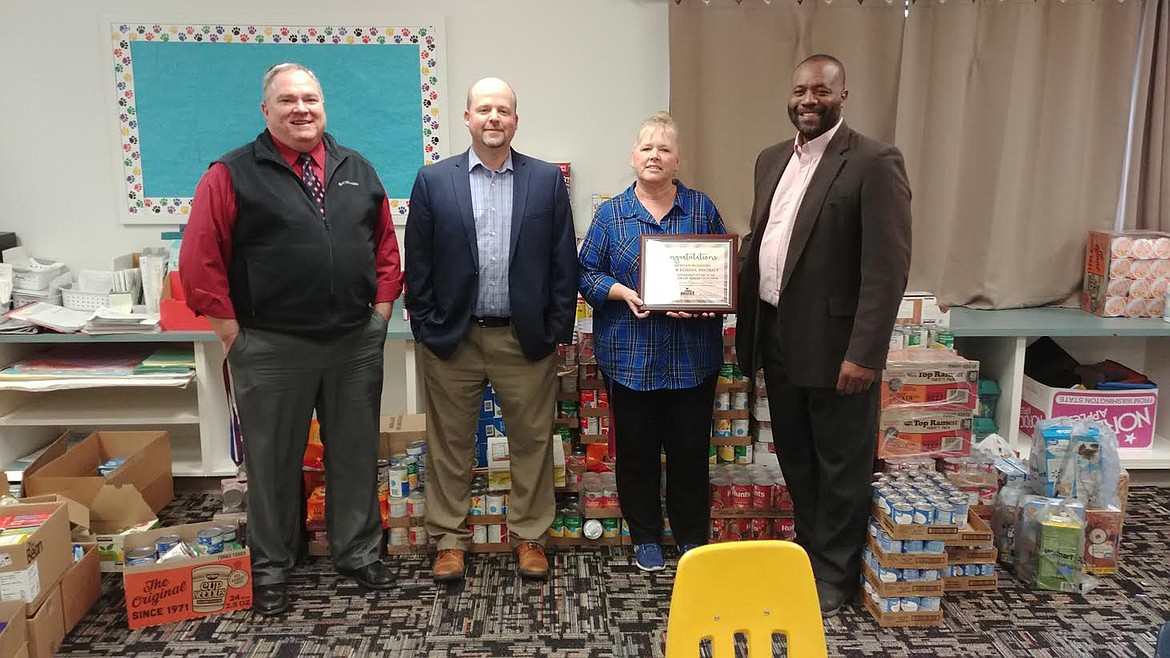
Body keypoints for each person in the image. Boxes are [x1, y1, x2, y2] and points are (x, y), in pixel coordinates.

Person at [180, 62, 402, 616]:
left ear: (324, 105)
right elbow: (200, 262)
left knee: (353, 455)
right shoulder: (231, 174)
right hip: (270, 345)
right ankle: (273, 565)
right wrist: (234, 337)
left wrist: (379, 315)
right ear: (266, 110)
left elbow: (384, 250)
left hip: (353, 342)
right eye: (287, 100)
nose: (301, 109)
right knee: (273, 460)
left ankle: (356, 552)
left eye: (310, 98)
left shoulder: (357, 169)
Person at [735, 54, 912, 616]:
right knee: (796, 454)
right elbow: (764, 247)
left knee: (842, 462)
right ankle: (811, 548)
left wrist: (865, 352)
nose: (808, 100)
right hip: (779, 336)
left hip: (839, 351)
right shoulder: (769, 160)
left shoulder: (873, 161)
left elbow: (887, 269)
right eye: (800, 91)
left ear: (843, 96)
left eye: (821, 91)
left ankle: (835, 572)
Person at [404, 77, 577, 582]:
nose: (493, 118)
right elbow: (419, 262)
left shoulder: (545, 180)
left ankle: (529, 536)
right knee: (450, 444)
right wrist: (426, 326)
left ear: (516, 120)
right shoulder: (435, 180)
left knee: (532, 442)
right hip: (453, 338)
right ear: (467, 118)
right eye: (484, 109)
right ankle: (450, 540)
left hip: (524, 339)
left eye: (503, 110)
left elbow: (562, 262)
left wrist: (556, 332)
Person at [578, 112, 725, 572]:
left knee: (689, 452)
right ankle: (645, 535)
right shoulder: (610, 214)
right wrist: (620, 292)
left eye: (664, 148)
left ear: (678, 159)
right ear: (633, 157)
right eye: (647, 148)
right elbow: (585, 273)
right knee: (637, 453)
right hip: (629, 357)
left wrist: (705, 304)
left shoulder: (701, 209)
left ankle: (688, 535)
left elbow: (720, 274)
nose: (655, 155)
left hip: (691, 359)